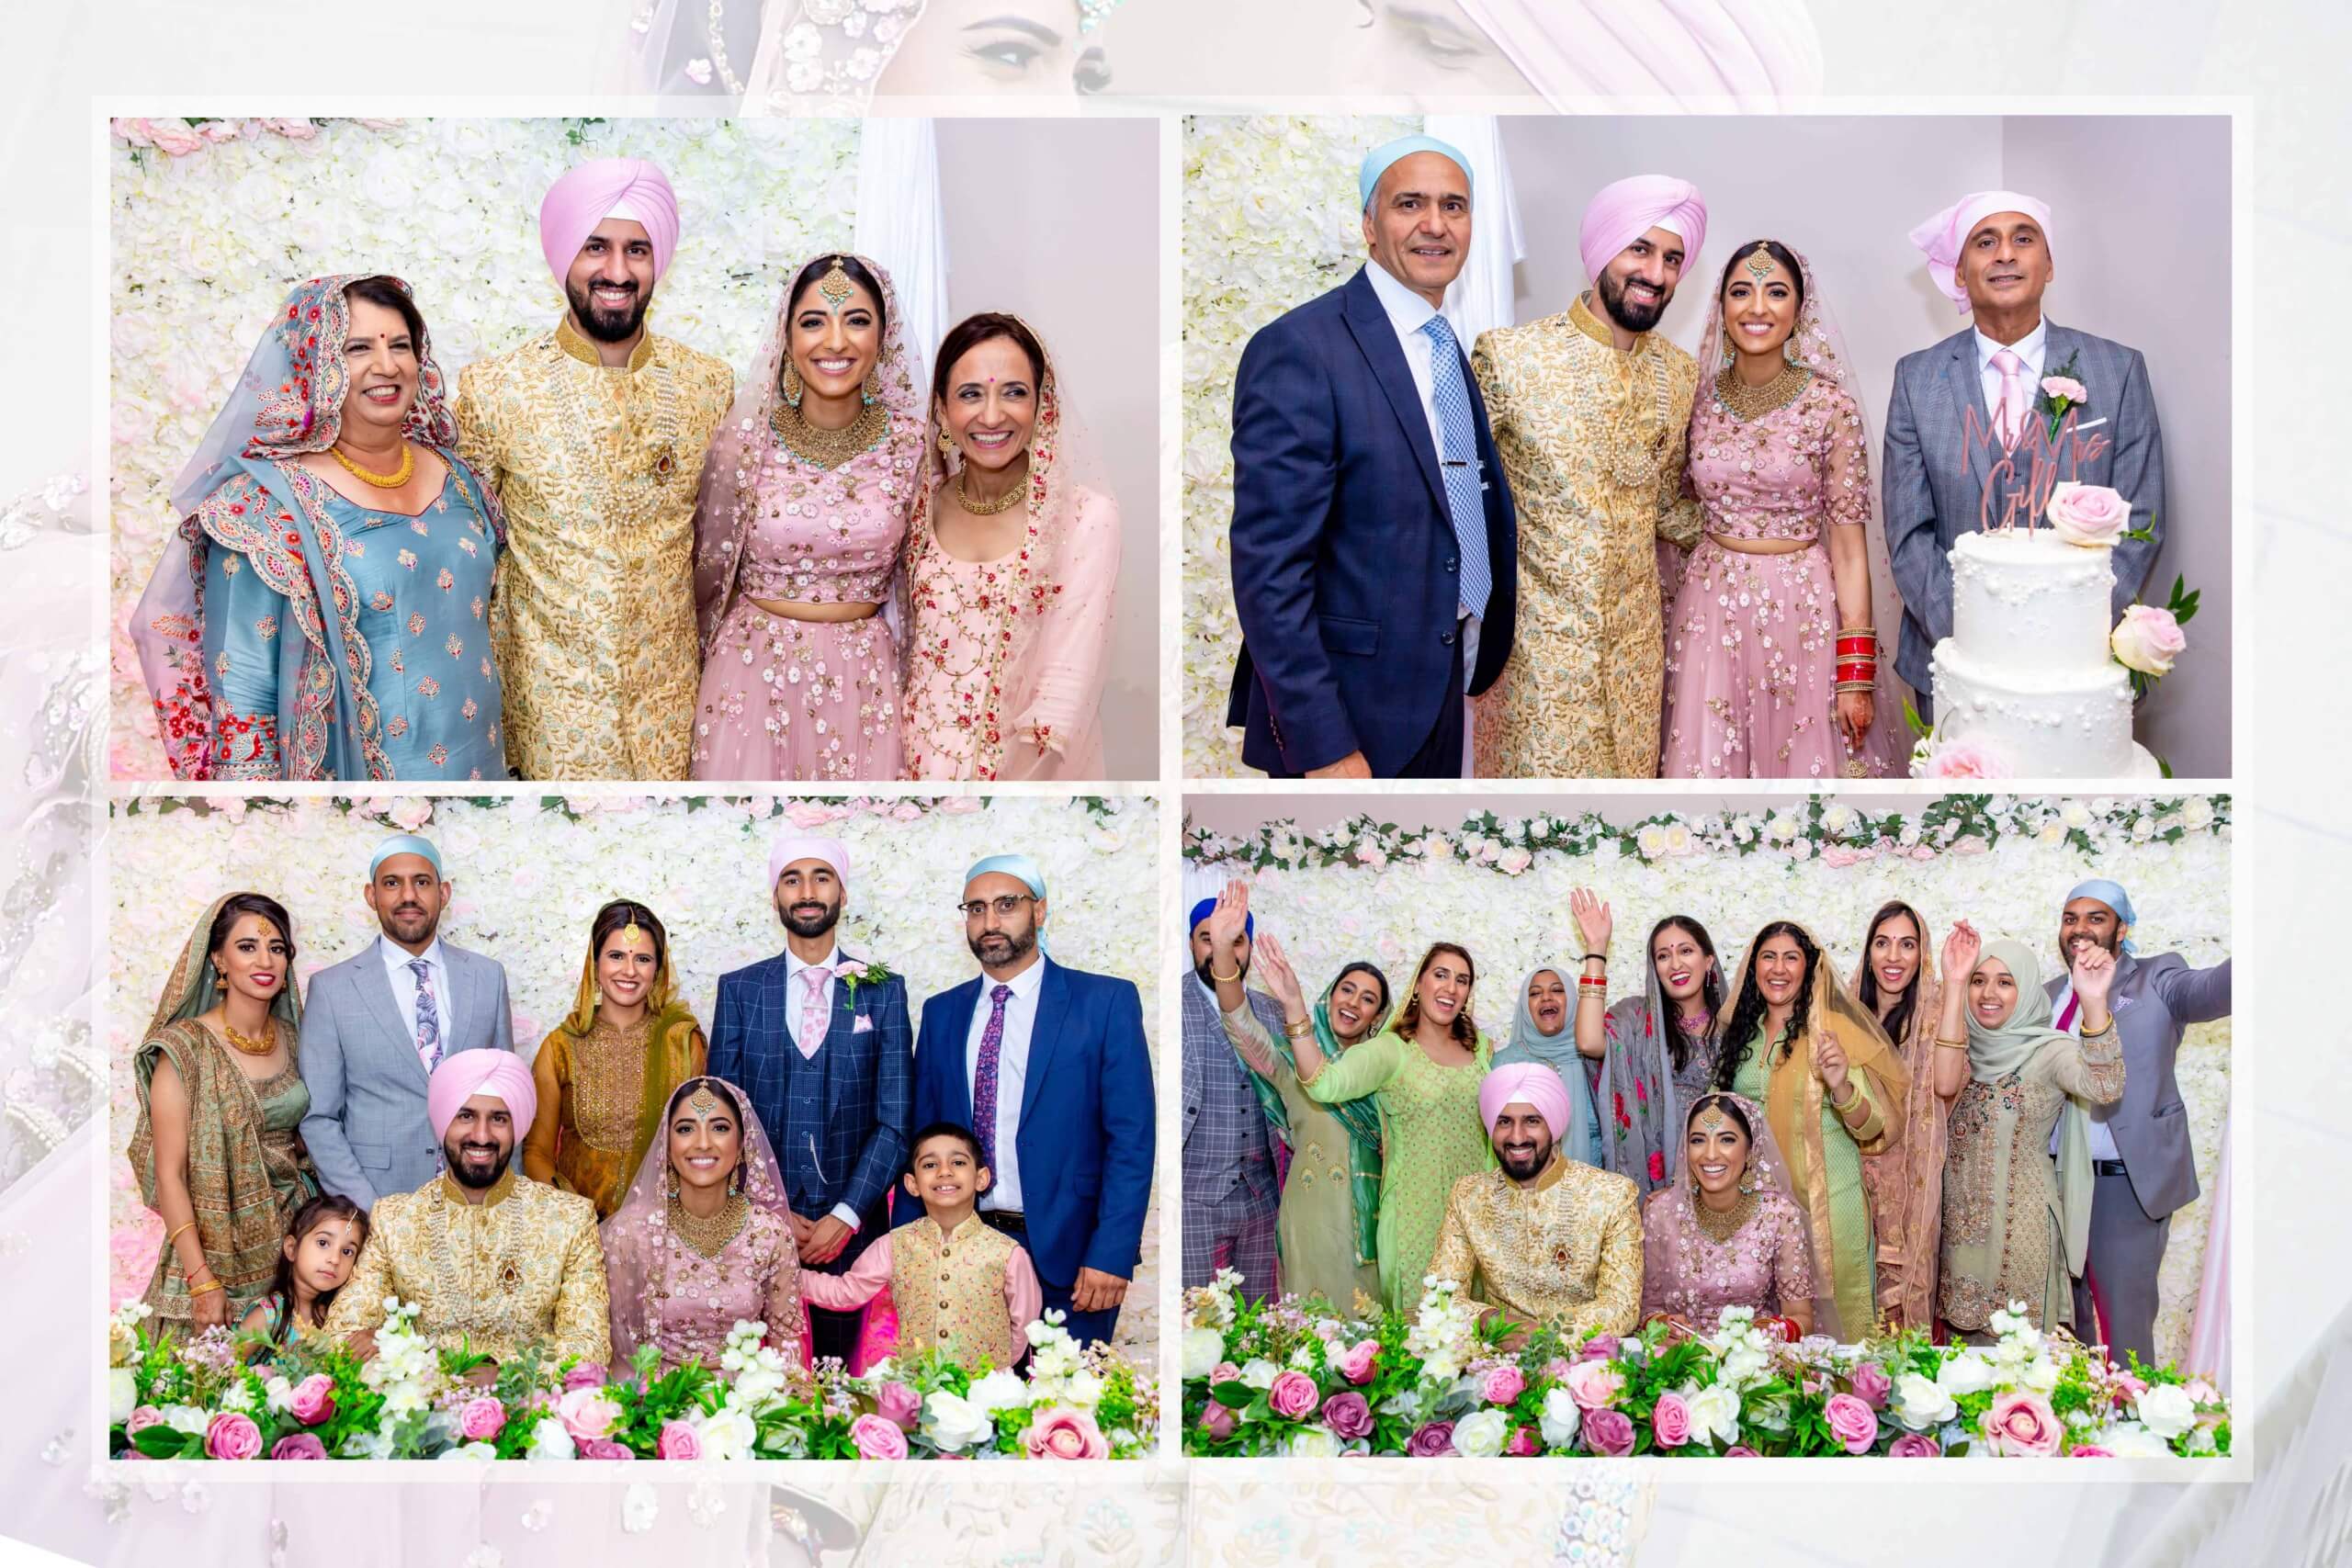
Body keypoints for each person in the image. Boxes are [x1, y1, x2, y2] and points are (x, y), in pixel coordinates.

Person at [131, 275, 508, 782]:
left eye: (400, 345)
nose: (387, 365)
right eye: (357, 348)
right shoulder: (264, 508)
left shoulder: (458, 477)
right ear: (314, 365)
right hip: (361, 801)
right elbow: (242, 698)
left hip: (484, 774)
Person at [1225, 134, 1517, 779]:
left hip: (1439, 689)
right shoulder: (1301, 349)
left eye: (1454, 206)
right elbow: (1269, 569)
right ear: (1369, 225)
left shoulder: (1445, 346)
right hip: (1347, 720)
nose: (1435, 224)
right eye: (1409, 203)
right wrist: (1323, 743)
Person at [458, 158, 734, 779]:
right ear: (562, 256)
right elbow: (473, 558)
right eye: (595, 247)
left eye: (637, 249)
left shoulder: (707, 386)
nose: (617, 272)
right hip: (552, 717)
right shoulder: (495, 389)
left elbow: (719, 550)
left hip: (671, 709)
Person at [1884, 190, 2167, 719]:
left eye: (2023, 238)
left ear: (2050, 264)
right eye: (1985, 242)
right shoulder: (1916, 379)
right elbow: (1909, 535)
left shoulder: (2119, 370)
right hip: (1953, 660)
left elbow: (2141, 521)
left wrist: (2066, 631)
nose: (2006, 255)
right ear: (1960, 274)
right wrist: (1976, 635)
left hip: (2082, 663)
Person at [1468, 174, 1708, 778]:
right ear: (1602, 250)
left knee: (1622, 845)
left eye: (1673, 258)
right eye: (1640, 249)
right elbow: (1457, 501)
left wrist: (1755, 527)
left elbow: (1663, 506)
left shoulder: (1679, 376)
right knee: (1528, 845)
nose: (1656, 273)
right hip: (1535, 663)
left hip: (1635, 662)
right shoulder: (1509, 357)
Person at [1661, 240, 1901, 779]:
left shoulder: (1830, 406)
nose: (1757, 308)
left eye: (1776, 292)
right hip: (1710, 604)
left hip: (1804, 606)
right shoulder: (1693, 399)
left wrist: (1856, 671)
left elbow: (1848, 547)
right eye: (1741, 292)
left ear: (1799, 309)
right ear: (1722, 307)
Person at [908, 853, 1154, 1348]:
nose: (990, 921)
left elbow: (1131, 1138)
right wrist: (915, 1250)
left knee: (1068, 1416)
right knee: (966, 1416)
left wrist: (1111, 1252)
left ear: (1039, 912)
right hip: (964, 1249)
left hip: (1074, 1256)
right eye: (975, 909)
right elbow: (922, 1136)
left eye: (1006, 905)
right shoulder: (942, 1013)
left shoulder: (1104, 1002)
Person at [691, 254, 922, 782]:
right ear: (787, 337)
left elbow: (921, 589)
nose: (835, 341)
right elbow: (707, 579)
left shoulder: (913, 446)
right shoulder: (744, 442)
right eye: (814, 321)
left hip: (865, 680)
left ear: (884, 338)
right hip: (750, 674)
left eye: (857, 320)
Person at [706, 834, 912, 1365]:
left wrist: (845, 1215)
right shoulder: (740, 990)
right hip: (755, 1226)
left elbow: (895, 1121)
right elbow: (722, 1121)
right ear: (775, 897)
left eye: (821, 877)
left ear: (842, 892)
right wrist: (770, 1208)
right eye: (791, 879)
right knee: (754, 1374)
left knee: (837, 1379)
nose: (807, 891)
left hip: (851, 1231)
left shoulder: (882, 990)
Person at [900, 313, 1121, 780]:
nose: (992, 415)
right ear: (941, 409)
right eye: (970, 394)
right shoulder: (918, 509)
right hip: (910, 771)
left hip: (1028, 774)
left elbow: (1066, 686)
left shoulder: (1082, 519)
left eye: (1014, 392)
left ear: (1043, 405)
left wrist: (1008, 801)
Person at [325, 1052, 612, 1371]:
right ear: (443, 1121)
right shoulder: (395, 1219)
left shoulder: (569, 1219)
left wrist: (502, 1376)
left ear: (517, 1127)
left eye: (499, 1118)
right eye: (465, 1116)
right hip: (421, 1412)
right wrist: (438, 1371)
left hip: (531, 1412)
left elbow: (589, 1350)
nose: (481, 1135)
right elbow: (342, 1336)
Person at [2046, 878, 2232, 1365]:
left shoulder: (2158, 980)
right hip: (2053, 1188)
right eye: (2071, 918)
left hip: (2124, 1190)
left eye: (2096, 917)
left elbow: (2215, 990)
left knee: (2125, 1337)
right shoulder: (2043, 997)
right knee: (2066, 1335)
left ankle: (2133, 1433)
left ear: (2122, 929)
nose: (2080, 929)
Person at [127, 893, 318, 1340]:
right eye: (247, 946)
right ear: (218, 959)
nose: (264, 959)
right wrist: (200, 1279)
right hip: (212, 1252)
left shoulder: (295, 1037)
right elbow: (171, 1173)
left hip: (295, 1249)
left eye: (276, 948)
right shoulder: (185, 1049)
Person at [298, 833, 515, 1212]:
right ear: (371, 896)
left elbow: (506, 1102)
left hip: (473, 1200)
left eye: (422, 882)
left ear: (443, 893)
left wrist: (506, 1203)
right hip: (377, 1197)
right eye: (392, 883)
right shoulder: (332, 989)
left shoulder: (487, 977)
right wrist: (369, 1211)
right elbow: (320, 1118)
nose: (408, 896)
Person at [1713, 919, 1908, 1338]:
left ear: (1809, 968)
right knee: (1769, 1334)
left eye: (1790, 957)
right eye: (1768, 957)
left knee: (1840, 1333)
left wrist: (1840, 1085)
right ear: (1753, 967)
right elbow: (1716, 1116)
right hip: (1755, 1212)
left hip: (1829, 1210)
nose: (1778, 968)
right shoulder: (1740, 1036)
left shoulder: (1835, 1032)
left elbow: (1871, 1127)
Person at [1202, 881, 1386, 1310]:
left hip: (1374, 1222)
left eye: (1369, 999)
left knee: (1369, 1338)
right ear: (1329, 994)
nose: (1354, 1003)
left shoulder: (1385, 1068)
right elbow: (1239, 1021)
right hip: (1307, 1215)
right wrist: (1225, 948)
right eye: (1347, 990)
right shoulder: (1289, 1061)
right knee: (1309, 1333)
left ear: (1377, 1018)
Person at [1932, 929, 2123, 1340]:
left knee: (2019, 1368)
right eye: (1979, 981)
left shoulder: (2048, 1051)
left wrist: (2092, 1001)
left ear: (2028, 990)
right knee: (1960, 1375)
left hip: (2022, 1235)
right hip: (1959, 1243)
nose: (1989, 993)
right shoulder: (1953, 1047)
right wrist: (1953, 983)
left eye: (2006, 982)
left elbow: (2104, 1087)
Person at [1296, 941, 1493, 1311]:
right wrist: (1295, 1011)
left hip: (1473, 1218)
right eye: (1441, 975)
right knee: (1422, 1338)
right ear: (1418, 985)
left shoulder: (1480, 1049)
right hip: (1415, 1218)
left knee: (1474, 1334)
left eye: (1462, 980)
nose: (1451, 988)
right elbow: (1324, 1083)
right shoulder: (1392, 1050)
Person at [802, 1122, 1045, 1372]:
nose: (944, 1172)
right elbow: (846, 1291)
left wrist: (995, 1369)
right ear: (912, 1184)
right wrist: (786, 1273)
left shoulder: (1007, 1253)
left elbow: (1025, 1325)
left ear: (981, 1178)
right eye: (930, 1165)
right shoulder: (895, 1244)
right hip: (919, 1395)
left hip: (986, 1396)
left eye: (958, 1163)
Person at [1426, 1062, 1642, 1340]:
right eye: (1504, 1122)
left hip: (1580, 1362)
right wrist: (1491, 1320)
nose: (1517, 1137)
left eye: (1532, 1121)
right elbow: (1438, 1296)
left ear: (1554, 1127)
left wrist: (1543, 1336)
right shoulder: (1469, 1196)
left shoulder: (1611, 1195)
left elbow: (1621, 1308)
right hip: (1495, 1357)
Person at [520, 900, 708, 1219]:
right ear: (594, 964)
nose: (630, 971)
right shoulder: (561, 1047)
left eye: (643, 959)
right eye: (616, 956)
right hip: (579, 1232)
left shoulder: (681, 1043)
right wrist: (573, 1216)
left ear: (658, 970)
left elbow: (702, 1145)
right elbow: (537, 1152)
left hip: (664, 1230)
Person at [602, 1076, 804, 1371]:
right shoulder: (631, 1233)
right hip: (654, 1399)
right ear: (667, 1146)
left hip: (745, 1403)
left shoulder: (769, 1234)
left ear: (742, 1143)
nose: (703, 1143)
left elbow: (786, 1349)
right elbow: (616, 1351)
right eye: (686, 1129)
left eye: (720, 1128)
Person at [1567, 890, 1724, 1192]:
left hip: (1719, 1181)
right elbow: (1588, 1042)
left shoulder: (1734, 1030)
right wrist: (1596, 950)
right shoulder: (1635, 1019)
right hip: (1653, 1191)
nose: (1675, 963)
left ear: (1708, 961)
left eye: (1686, 951)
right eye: (1663, 956)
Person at [1179, 889, 1283, 1302]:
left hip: (1263, 1201)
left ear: (1249, 948)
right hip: (1195, 1198)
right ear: (1192, 943)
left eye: (1234, 940)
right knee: (1196, 1328)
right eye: (1209, 938)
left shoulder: (1273, 1012)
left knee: (1259, 1326)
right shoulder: (1170, 1006)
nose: (1220, 949)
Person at [1639, 1091, 1814, 1334]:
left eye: (1727, 1140)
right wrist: (1662, 1326)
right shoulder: (1661, 1213)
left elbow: (1800, 1315)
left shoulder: (1779, 1215)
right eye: (1698, 1140)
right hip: (1681, 1359)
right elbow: (1648, 1309)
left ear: (1751, 1149)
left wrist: (1768, 1333)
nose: (1710, 1154)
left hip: (1754, 1359)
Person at [1853, 899, 1948, 1333]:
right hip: (1848, 1191)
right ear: (1868, 953)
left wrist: (1961, 978)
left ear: (1922, 954)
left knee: (1897, 1333)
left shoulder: (1936, 1017)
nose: (1893, 957)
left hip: (1908, 1197)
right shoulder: (1844, 1016)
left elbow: (1947, 1085)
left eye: (1907, 945)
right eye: (1883, 943)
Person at [1487, 964, 1604, 1168]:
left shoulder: (1595, 1059)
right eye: (1535, 993)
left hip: (1592, 1190)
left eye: (1557, 990)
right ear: (1525, 1006)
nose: (1547, 997)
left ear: (1573, 1001)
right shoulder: (1505, 1064)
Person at [237, 1192, 370, 1351]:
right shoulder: (268, 1316)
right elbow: (225, 1370)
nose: (335, 1259)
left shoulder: (340, 1314)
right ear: (292, 1249)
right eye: (323, 1243)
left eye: (347, 1252)